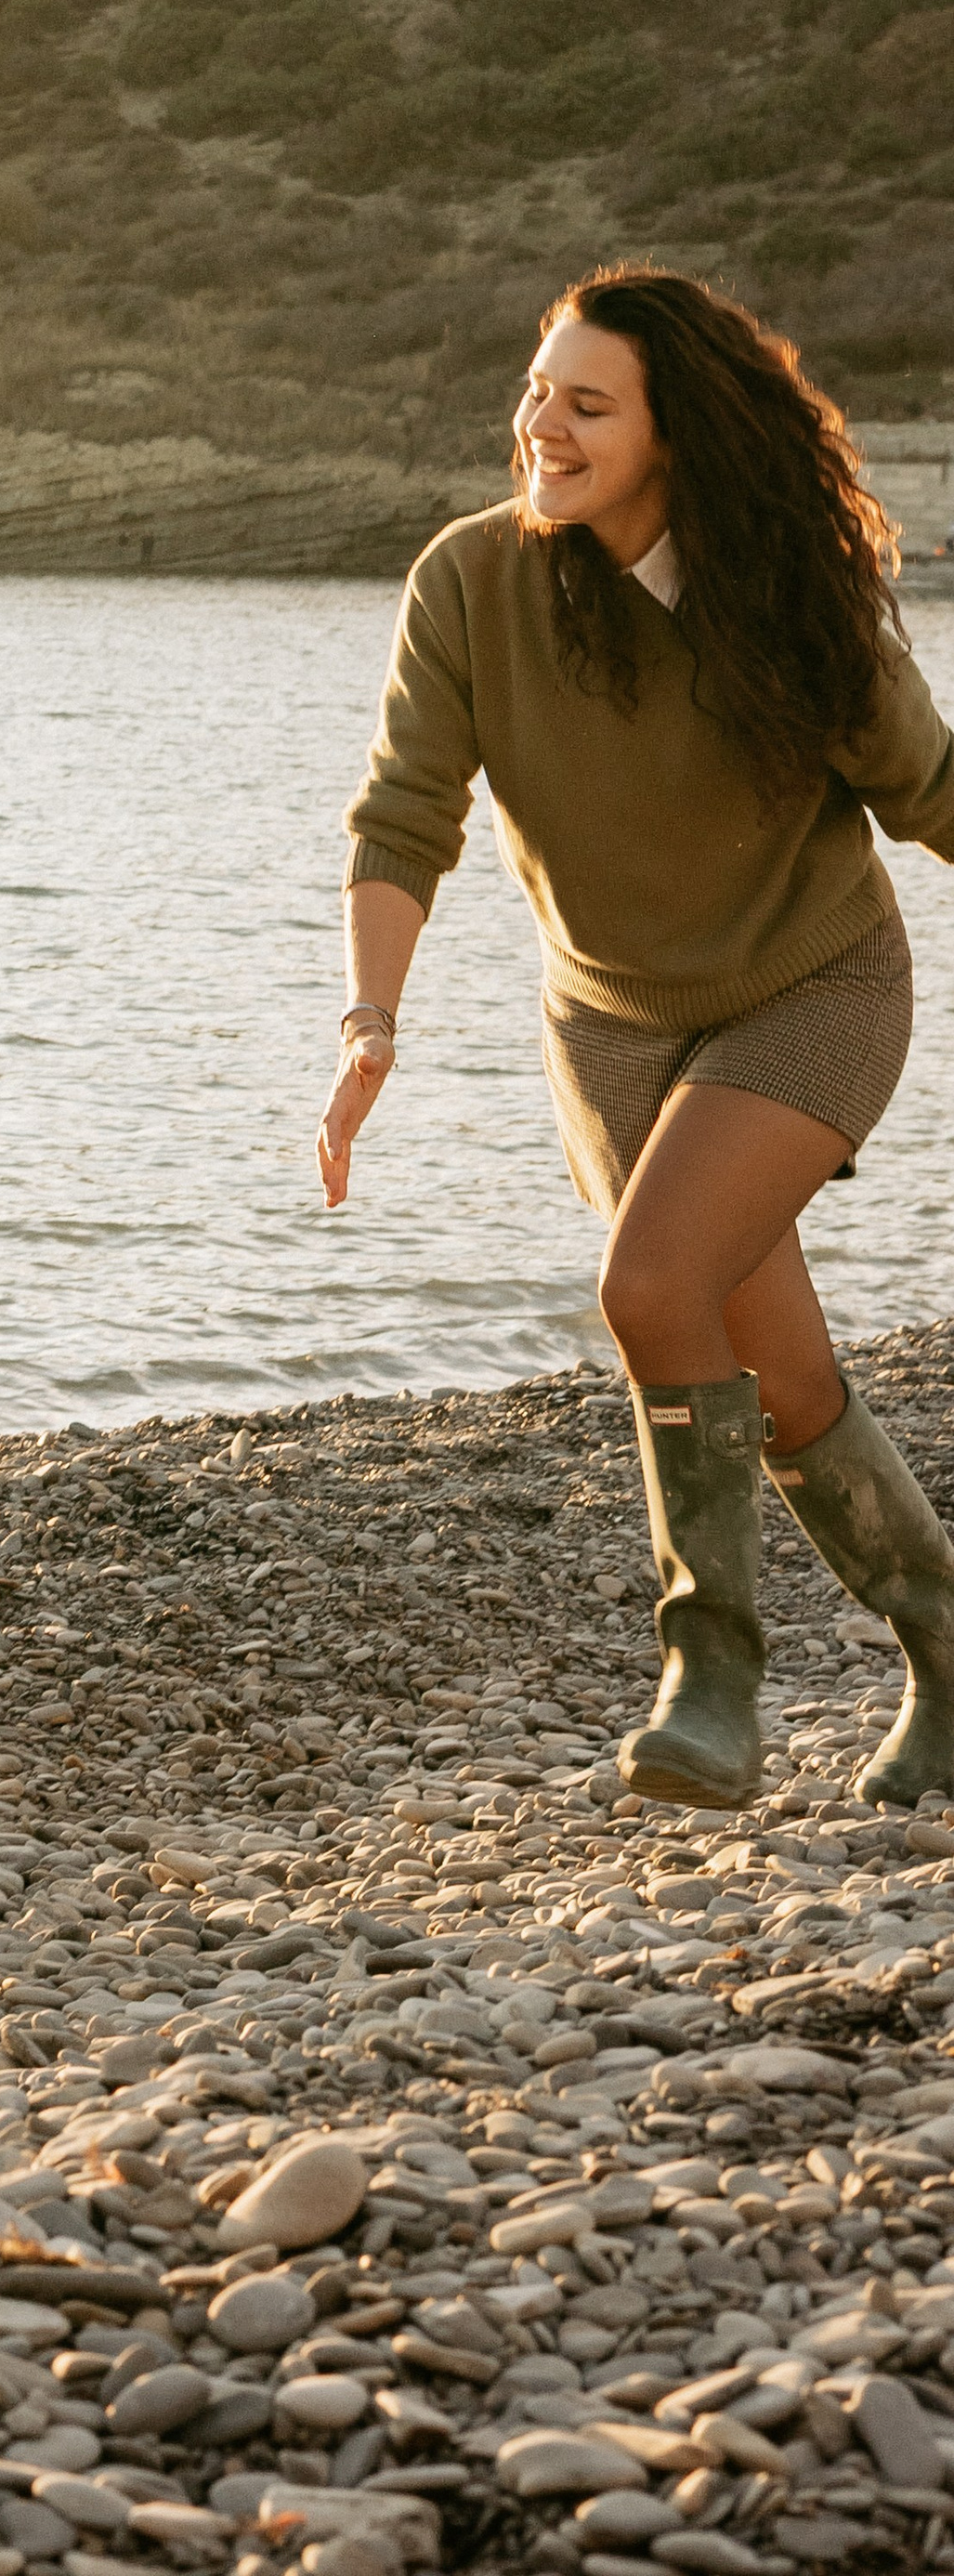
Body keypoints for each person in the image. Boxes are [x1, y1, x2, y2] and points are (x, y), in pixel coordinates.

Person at [323, 265, 954, 1813]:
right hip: (611, 1026)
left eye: (587, 405)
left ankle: (713, 1669)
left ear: (674, 438)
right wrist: (371, 1019)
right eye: (538, 393)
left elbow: (932, 789)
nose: (543, 426)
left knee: (653, 1283)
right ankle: (950, 1647)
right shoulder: (470, 583)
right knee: (779, 1371)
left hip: (810, 986)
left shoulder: (789, 597)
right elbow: (406, 818)